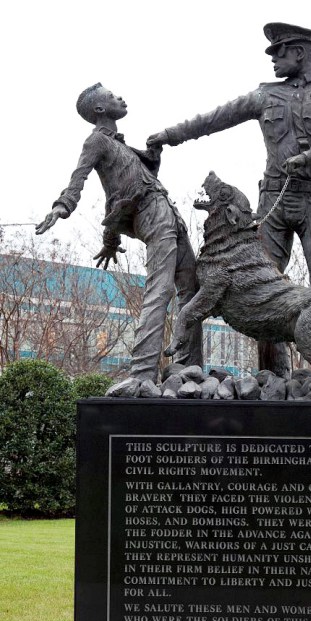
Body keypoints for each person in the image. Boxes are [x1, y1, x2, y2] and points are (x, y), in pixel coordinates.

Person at [147, 22, 311, 377]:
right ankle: (273, 378)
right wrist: (171, 135)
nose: (274, 60)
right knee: (262, 288)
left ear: (300, 52)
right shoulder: (265, 95)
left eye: (280, 52)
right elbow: (215, 118)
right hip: (273, 205)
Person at [36, 83, 202, 393]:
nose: (120, 98)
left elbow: (131, 179)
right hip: (151, 213)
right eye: (112, 97)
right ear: (99, 109)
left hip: (167, 212)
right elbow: (79, 179)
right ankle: (142, 371)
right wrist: (62, 207)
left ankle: (186, 365)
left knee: (190, 289)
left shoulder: (123, 146)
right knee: (160, 287)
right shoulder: (96, 141)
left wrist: (153, 156)